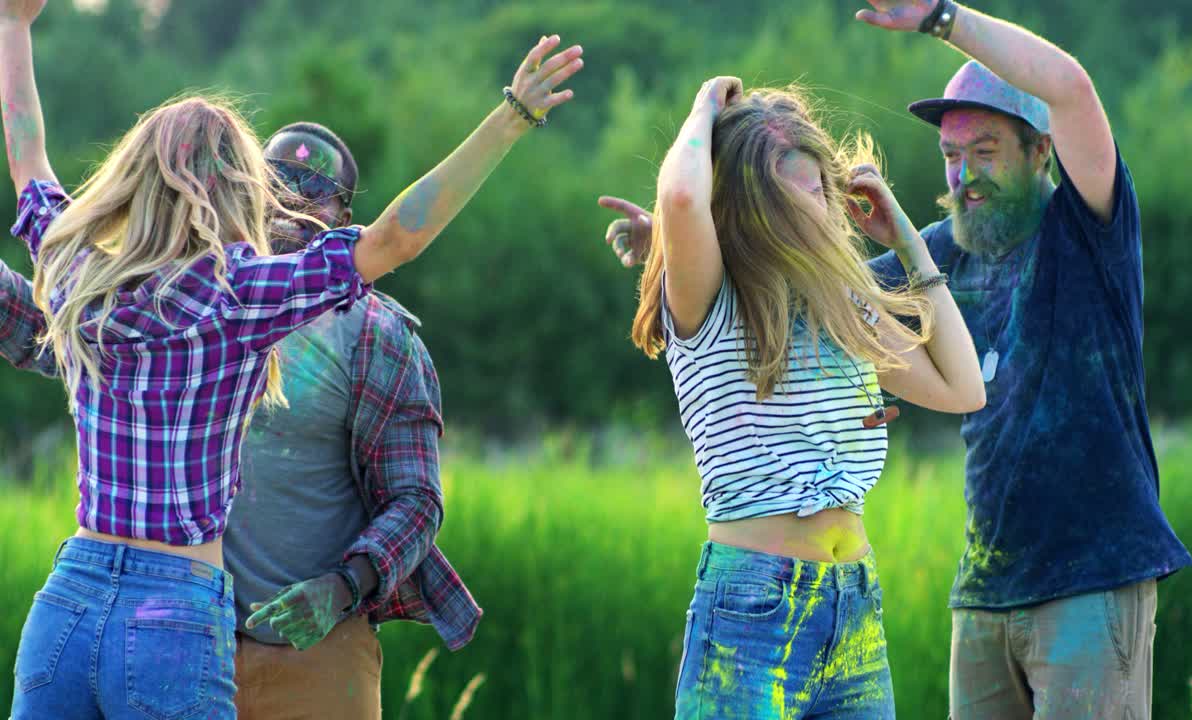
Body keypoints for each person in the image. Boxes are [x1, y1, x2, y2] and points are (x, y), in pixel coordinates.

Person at [1, 1, 583, 713]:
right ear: (242, 190)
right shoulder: (241, 298)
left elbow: (29, 159)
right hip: (175, 617)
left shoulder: (80, 277)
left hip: (69, 600)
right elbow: (398, 236)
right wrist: (510, 119)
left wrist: (13, 28)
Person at [2, 119, 485, 719]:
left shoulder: (379, 338)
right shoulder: (180, 305)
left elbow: (417, 500)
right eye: (277, 185)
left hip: (315, 654)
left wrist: (345, 586)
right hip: (177, 635)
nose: (291, 206)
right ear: (245, 190)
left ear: (342, 214)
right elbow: (53, 327)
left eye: (314, 194)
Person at [851, 2, 1192, 718]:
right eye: (950, 156)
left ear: (1041, 152)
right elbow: (820, 294)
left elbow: (1070, 88)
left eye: (985, 151)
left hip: (1094, 580)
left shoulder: (1089, 228)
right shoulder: (937, 252)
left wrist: (941, 16)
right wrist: (681, 236)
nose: (964, 174)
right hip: (983, 593)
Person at [624, 77, 984, 719]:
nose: (814, 214)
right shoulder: (710, 299)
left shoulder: (839, 305)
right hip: (751, 607)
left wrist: (904, 237)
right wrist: (705, 107)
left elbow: (963, 388)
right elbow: (681, 194)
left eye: (818, 191)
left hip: (855, 606)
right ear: (745, 209)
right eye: (791, 201)